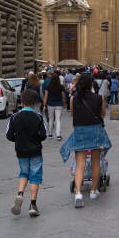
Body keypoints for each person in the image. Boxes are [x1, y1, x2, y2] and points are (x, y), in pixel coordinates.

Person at [60, 73, 112, 208]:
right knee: (96, 162)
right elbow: (102, 114)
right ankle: (94, 191)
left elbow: (73, 114)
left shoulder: (73, 99)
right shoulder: (99, 98)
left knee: (80, 163)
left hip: (80, 131)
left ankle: (78, 193)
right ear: (91, 84)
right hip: (95, 131)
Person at [6, 89, 47, 217]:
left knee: (24, 172)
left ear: (22, 102)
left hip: (21, 150)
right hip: (35, 150)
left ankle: (20, 194)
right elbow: (44, 135)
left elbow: (9, 135)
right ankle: (33, 205)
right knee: (35, 176)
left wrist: (17, 140)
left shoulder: (14, 117)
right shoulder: (38, 116)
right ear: (35, 103)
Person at [43, 71, 66, 141]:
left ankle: (50, 134)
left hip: (50, 104)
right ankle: (58, 135)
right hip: (59, 104)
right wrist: (64, 103)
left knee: (51, 119)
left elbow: (46, 96)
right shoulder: (61, 86)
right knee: (58, 119)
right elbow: (63, 96)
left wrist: (44, 105)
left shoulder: (48, 86)